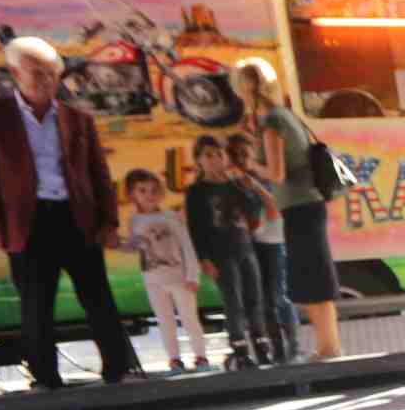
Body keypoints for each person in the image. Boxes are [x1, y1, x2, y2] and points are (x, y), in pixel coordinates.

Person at [0, 35, 140, 387]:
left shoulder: (78, 118)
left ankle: (119, 369)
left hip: (76, 217)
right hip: (27, 222)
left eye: (51, 73)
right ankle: (45, 378)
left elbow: (99, 174)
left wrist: (109, 222)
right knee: (36, 304)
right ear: (16, 74)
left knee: (97, 296)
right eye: (37, 73)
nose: (45, 80)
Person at [233, 57, 342, 360]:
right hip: (309, 204)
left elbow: (276, 173)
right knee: (316, 276)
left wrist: (252, 165)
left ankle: (329, 348)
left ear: (244, 89)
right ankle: (328, 345)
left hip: (299, 206)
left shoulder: (272, 122)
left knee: (312, 278)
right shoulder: (286, 115)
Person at [190, 135, 268, 370]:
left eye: (219, 154)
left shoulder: (235, 185)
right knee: (233, 301)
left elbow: (253, 213)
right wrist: (204, 258)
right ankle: (240, 350)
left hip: (245, 248)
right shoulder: (197, 191)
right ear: (199, 160)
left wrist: (246, 189)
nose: (215, 159)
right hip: (220, 254)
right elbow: (196, 227)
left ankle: (262, 347)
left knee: (255, 298)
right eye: (208, 155)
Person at [122, 169, 209, 374]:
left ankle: (201, 357)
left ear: (161, 192)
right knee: (165, 320)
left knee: (189, 318)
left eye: (154, 190)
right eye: (142, 190)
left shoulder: (171, 217)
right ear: (132, 194)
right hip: (153, 280)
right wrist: (121, 244)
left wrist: (192, 275)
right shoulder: (134, 221)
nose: (149, 195)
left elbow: (187, 246)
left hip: (179, 277)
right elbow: (137, 247)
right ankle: (174, 360)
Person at [229, 132, 295, 365]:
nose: (241, 159)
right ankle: (274, 349)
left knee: (276, 296)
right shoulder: (234, 182)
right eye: (235, 155)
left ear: (254, 153)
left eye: (244, 154)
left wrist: (255, 186)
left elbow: (275, 209)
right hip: (250, 244)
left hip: (273, 242)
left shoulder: (265, 176)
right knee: (259, 299)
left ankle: (291, 345)